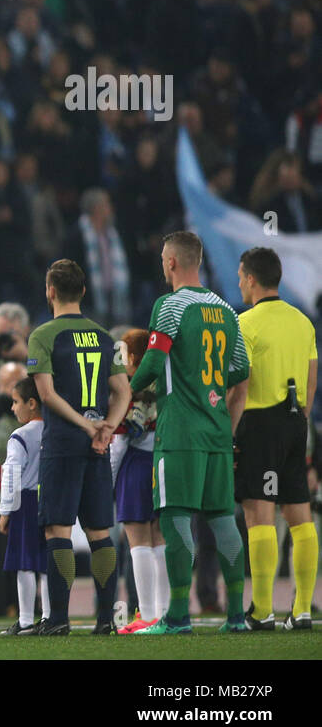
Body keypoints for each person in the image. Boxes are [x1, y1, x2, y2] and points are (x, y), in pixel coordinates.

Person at [130, 232, 250, 635]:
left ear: (171, 263)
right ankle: (236, 616)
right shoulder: (226, 310)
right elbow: (240, 373)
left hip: (179, 431)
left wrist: (120, 391)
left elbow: (151, 362)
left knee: (176, 519)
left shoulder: (169, 306)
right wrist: (217, 411)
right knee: (222, 520)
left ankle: (178, 616)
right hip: (216, 431)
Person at [26, 259, 131, 635]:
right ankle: (106, 620)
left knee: (58, 531)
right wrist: (106, 428)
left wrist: (86, 426)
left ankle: (59, 620)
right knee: (100, 531)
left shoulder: (44, 334)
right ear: (84, 292)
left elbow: (47, 394)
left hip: (64, 442)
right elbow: (124, 392)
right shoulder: (105, 336)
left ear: (50, 291)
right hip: (98, 446)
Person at [234, 246, 317, 631]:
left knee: (259, 512)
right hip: (296, 419)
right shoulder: (303, 321)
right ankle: (302, 610)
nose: (239, 282)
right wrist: (300, 417)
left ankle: (262, 610)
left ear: (251, 278)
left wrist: (231, 430)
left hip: (260, 421)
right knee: (299, 514)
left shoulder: (245, 323)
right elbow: (312, 375)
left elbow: (242, 382)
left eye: (240, 276)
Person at [112, 328, 168, 634]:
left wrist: (107, 480)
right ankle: (166, 613)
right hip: (162, 462)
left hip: (135, 465)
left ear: (132, 357)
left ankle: (147, 615)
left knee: (138, 542)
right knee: (161, 539)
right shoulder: (164, 385)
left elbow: (120, 442)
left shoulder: (131, 389)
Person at [0, 376, 48, 635]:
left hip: (26, 502)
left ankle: (27, 620)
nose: (12, 408)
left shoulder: (20, 435)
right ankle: (50, 619)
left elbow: (11, 475)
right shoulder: (54, 429)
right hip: (50, 500)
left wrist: (6, 511)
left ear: (32, 403)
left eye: (16, 402)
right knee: (47, 561)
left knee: (25, 562)